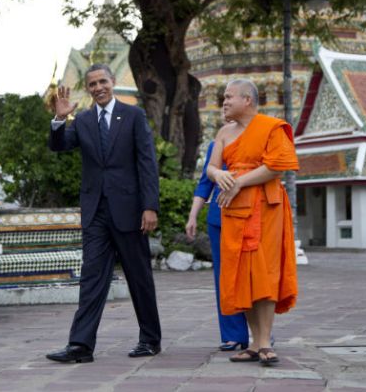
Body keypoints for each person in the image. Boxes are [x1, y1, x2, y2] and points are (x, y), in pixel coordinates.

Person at [45, 63, 162, 363]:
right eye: (92, 84)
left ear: (113, 82)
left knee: (139, 277)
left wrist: (150, 206)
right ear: (88, 89)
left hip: (131, 211)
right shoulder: (82, 120)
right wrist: (59, 119)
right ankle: (81, 346)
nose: (98, 88)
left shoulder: (133, 116)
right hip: (96, 211)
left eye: (102, 82)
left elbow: (147, 162)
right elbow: (59, 146)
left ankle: (150, 339)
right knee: (92, 277)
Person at [207, 79, 299, 366]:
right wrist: (218, 176)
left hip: (266, 208)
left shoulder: (271, 127)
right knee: (241, 274)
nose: (224, 102)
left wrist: (238, 182)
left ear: (247, 99)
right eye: (224, 97)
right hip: (235, 210)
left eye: (229, 96)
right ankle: (254, 341)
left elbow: (277, 165)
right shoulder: (224, 132)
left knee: (264, 272)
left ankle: (264, 342)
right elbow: (212, 166)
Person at [185, 138, 250, 352]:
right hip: (219, 219)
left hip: (250, 216)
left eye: (229, 102)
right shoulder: (217, 144)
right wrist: (193, 216)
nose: (226, 106)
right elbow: (205, 182)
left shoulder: (260, 138)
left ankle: (259, 332)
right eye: (224, 103)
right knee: (224, 277)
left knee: (252, 274)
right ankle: (232, 335)